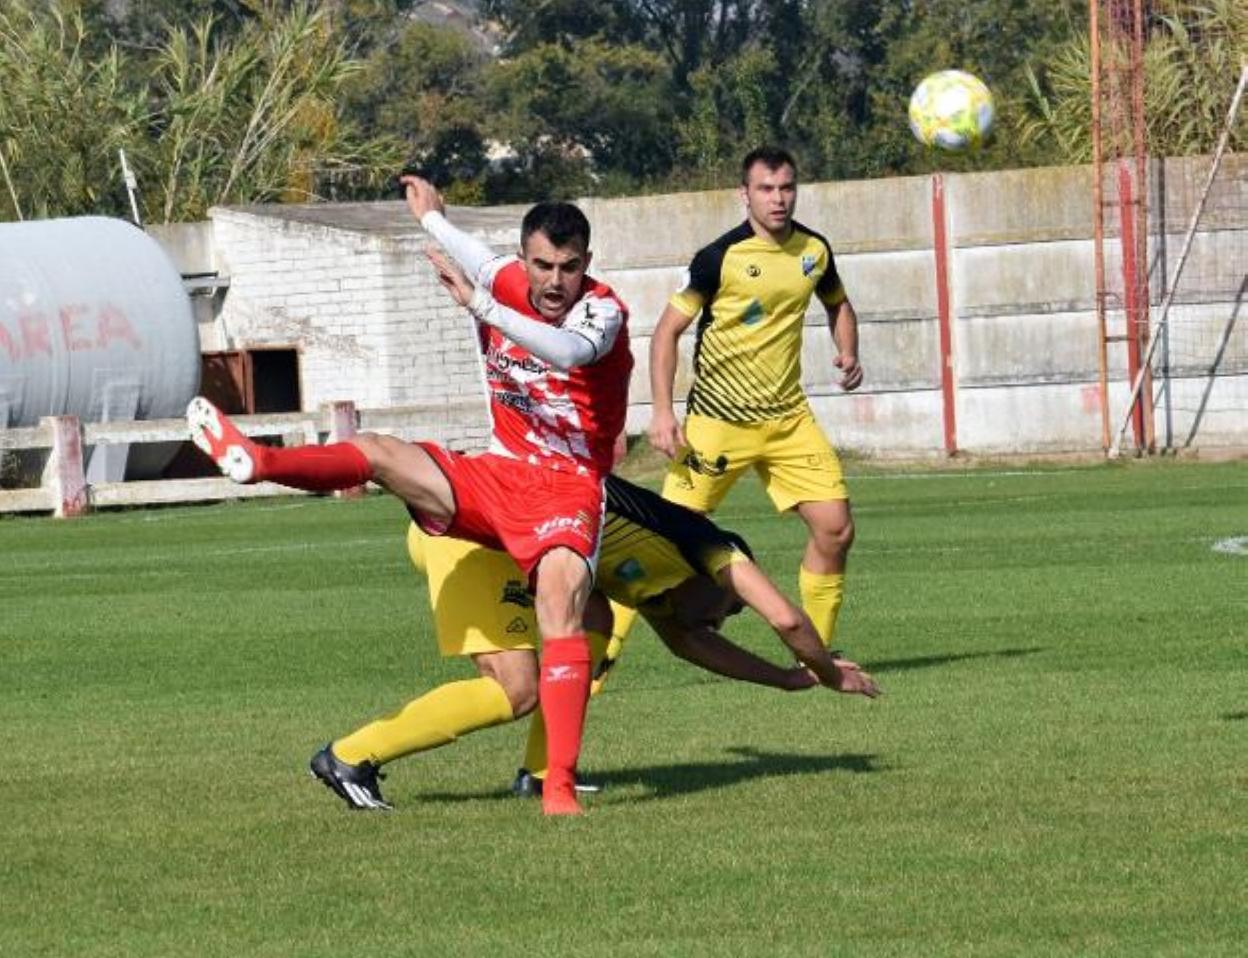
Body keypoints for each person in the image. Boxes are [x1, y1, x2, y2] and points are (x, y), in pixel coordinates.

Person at [187, 176, 632, 815]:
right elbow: (484, 261)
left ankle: (551, 784)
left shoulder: (600, 311)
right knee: (383, 451)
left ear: (586, 264)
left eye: (569, 267)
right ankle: (260, 461)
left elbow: (566, 352)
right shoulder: (509, 279)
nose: (556, 281)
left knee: (571, 627)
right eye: (543, 265)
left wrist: (478, 306)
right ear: (525, 258)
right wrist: (432, 221)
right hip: (497, 476)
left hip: (564, 488)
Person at [309, 473, 879, 811]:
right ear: (719, 579)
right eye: (729, 606)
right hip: (474, 537)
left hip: (498, 538)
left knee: (596, 616)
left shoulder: (669, 592)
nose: (725, 618)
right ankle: (351, 756)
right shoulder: (704, 546)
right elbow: (786, 620)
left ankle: (541, 771)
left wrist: (784, 679)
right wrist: (829, 671)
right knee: (516, 690)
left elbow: (691, 645)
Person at [646, 145, 863, 654]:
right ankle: (599, 658)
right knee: (661, 544)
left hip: (788, 420)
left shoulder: (814, 251)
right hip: (716, 424)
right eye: (766, 189)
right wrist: (661, 411)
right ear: (744, 194)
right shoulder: (718, 257)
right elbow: (665, 333)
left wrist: (848, 351)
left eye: (787, 187)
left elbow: (838, 303)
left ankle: (817, 658)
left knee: (836, 529)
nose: (778, 199)